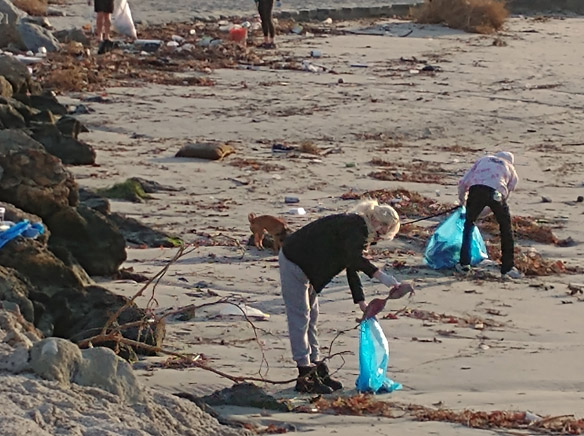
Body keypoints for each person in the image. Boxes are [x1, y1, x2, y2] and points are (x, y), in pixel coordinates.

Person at [278, 199, 414, 394]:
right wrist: (383, 277)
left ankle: (316, 366)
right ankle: (304, 373)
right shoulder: (353, 227)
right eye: (381, 232)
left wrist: (361, 302)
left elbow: (351, 266)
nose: (380, 236)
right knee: (300, 317)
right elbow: (354, 259)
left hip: (310, 269)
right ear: (375, 221)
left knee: (312, 317)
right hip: (294, 260)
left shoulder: (359, 230)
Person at [456, 151, 522, 279]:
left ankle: (464, 264)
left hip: (476, 190)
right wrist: (486, 212)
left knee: (469, 225)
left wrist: (462, 201)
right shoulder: (510, 168)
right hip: (497, 192)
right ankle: (507, 268)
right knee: (506, 230)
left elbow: (464, 182)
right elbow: (505, 195)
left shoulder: (484, 159)